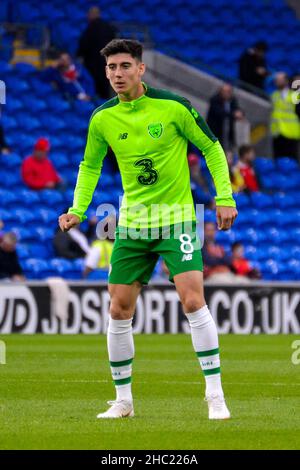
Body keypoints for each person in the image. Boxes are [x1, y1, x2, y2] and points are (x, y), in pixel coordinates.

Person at [59, 39, 237, 420]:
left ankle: (215, 395)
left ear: (141, 69)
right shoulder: (102, 118)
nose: (117, 74)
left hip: (176, 220)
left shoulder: (173, 107)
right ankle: (123, 401)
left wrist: (225, 196)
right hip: (133, 225)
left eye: (125, 66)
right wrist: (78, 208)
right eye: (111, 68)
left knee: (192, 300)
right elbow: (89, 166)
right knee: (118, 309)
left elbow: (211, 147)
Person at [77, 6, 117, 99]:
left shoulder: (89, 29)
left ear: (91, 15)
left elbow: (84, 46)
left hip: (92, 64)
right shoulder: (109, 27)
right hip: (107, 63)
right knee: (105, 90)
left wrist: (79, 55)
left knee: (93, 88)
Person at [271, 72, 300, 159]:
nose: (277, 82)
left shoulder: (295, 95)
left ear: (286, 81)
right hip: (277, 132)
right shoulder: (274, 95)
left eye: (280, 79)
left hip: (291, 132)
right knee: (277, 159)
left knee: (292, 160)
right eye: (276, 80)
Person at [207, 84, 244, 151]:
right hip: (215, 131)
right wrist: (233, 114)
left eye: (229, 92)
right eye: (225, 91)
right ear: (220, 91)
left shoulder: (232, 100)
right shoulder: (214, 99)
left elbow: (237, 109)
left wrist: (240, 113)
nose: (227, 93)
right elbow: (219, 112)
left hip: (228, 132)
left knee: (230, 150)